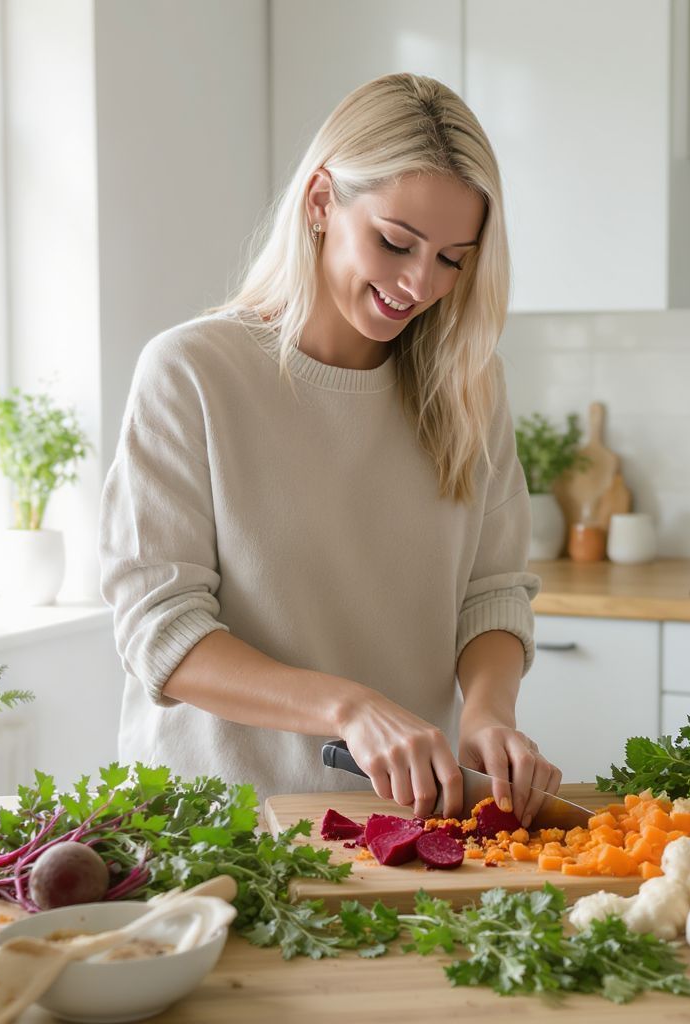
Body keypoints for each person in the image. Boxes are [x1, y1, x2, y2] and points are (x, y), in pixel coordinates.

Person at [98, 73, 558, 828]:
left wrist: (487, 714)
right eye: (395, 242)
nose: (419, 283)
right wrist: (349, 706)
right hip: (221, 827)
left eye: (453, 258)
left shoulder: (470, 385)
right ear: (321, 203)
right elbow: (161, 632)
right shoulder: (193, 372)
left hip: (402, 825)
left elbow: (493, 591)